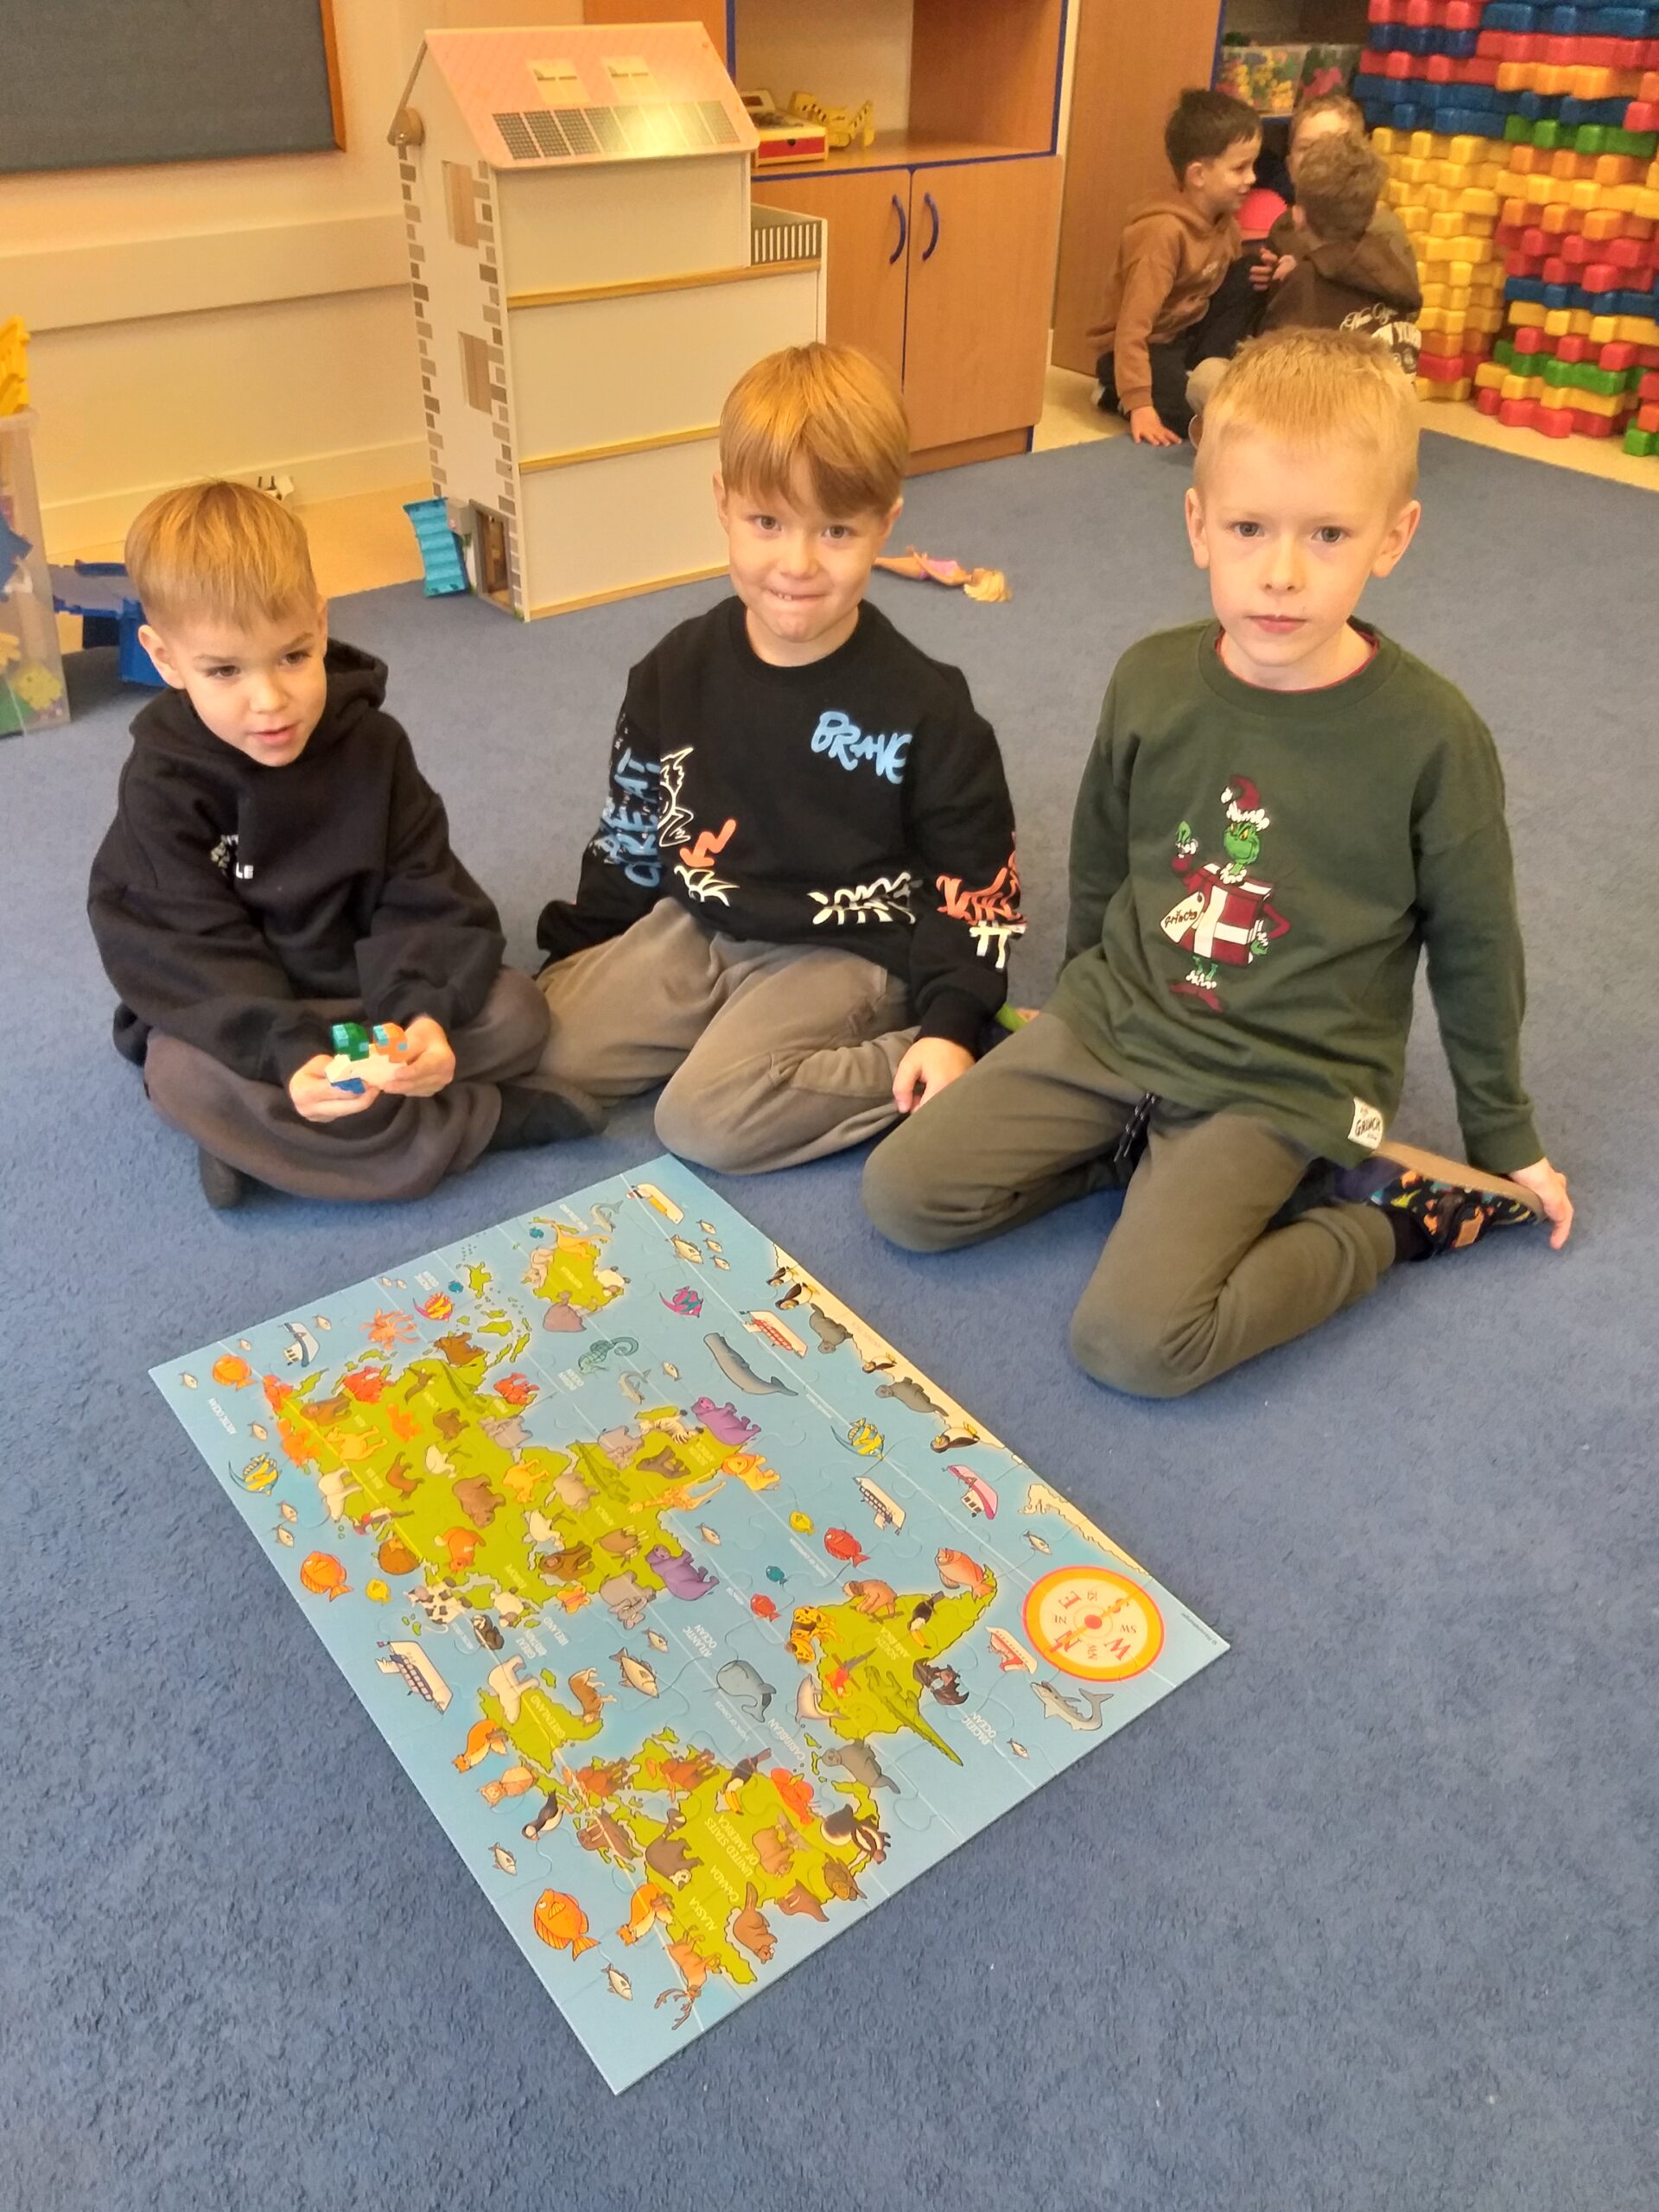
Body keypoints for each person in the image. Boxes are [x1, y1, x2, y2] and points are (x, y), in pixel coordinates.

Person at [863, 329, 1573, 1400]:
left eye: (1328, 533)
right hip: (1119, 1025)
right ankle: (1131, 1153)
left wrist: (1501, 1133)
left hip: (1283, 1075)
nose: (1281, 572)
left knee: (1134, 1345)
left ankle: (1385, 1223)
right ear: (1199, 524)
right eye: (1249, 528)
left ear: (1393, 537)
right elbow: (1103, 859)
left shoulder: (1433, 738)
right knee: (905, 1196)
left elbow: (1476, 945)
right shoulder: (1151, 681)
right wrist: (1075, 998)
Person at [528, 342, 1022, 1174]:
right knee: (541, 1046)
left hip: (848, 948)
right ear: (723, 504)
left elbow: (976, 891)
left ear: (885, 524)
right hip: (701, 923)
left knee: (704, 1120)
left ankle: (954, 1056)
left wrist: (953, 1026)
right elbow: (633, 831)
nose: (797, 564)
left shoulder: (930, 709)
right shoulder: (672, 671)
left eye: (836, 530)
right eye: (768, 523)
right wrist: (584, 955)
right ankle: (732, 1034)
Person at [87, 480, 596, 1210]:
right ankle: (477, 1123)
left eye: (293, 656)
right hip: (249, 1014)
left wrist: (419, 1015)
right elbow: (180, 948)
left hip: (365, 995)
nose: (270, 701)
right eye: (224, 671)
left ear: (321, 626)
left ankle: (271, 1143)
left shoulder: (373, 745)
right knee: (180, 1076)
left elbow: (423, 886)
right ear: (165, 659)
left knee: (518, 1013)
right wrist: (286, 1053)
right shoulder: (162, 785)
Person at [1188, 130, 1422, 416]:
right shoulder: (1393, 263)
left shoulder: (1303, 282)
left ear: (1298, 217)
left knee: (1206, 376)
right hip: (1385, 415)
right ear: (1371, 213)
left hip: (1322, 420)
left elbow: (1268, 368)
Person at [1090, 86, 1262, 446]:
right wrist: (1139, 404)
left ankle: (1205, 371)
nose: (1252, 178)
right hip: (1141, 347)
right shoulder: (1162, 233)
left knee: (1252, 270)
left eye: (1252, 166)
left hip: (1187, 334)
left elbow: (1228, 291)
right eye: (1239, 168)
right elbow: (1132, 328)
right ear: (1198, 175)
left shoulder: (1225, 223)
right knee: (1193, 415)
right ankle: (1114, 391)